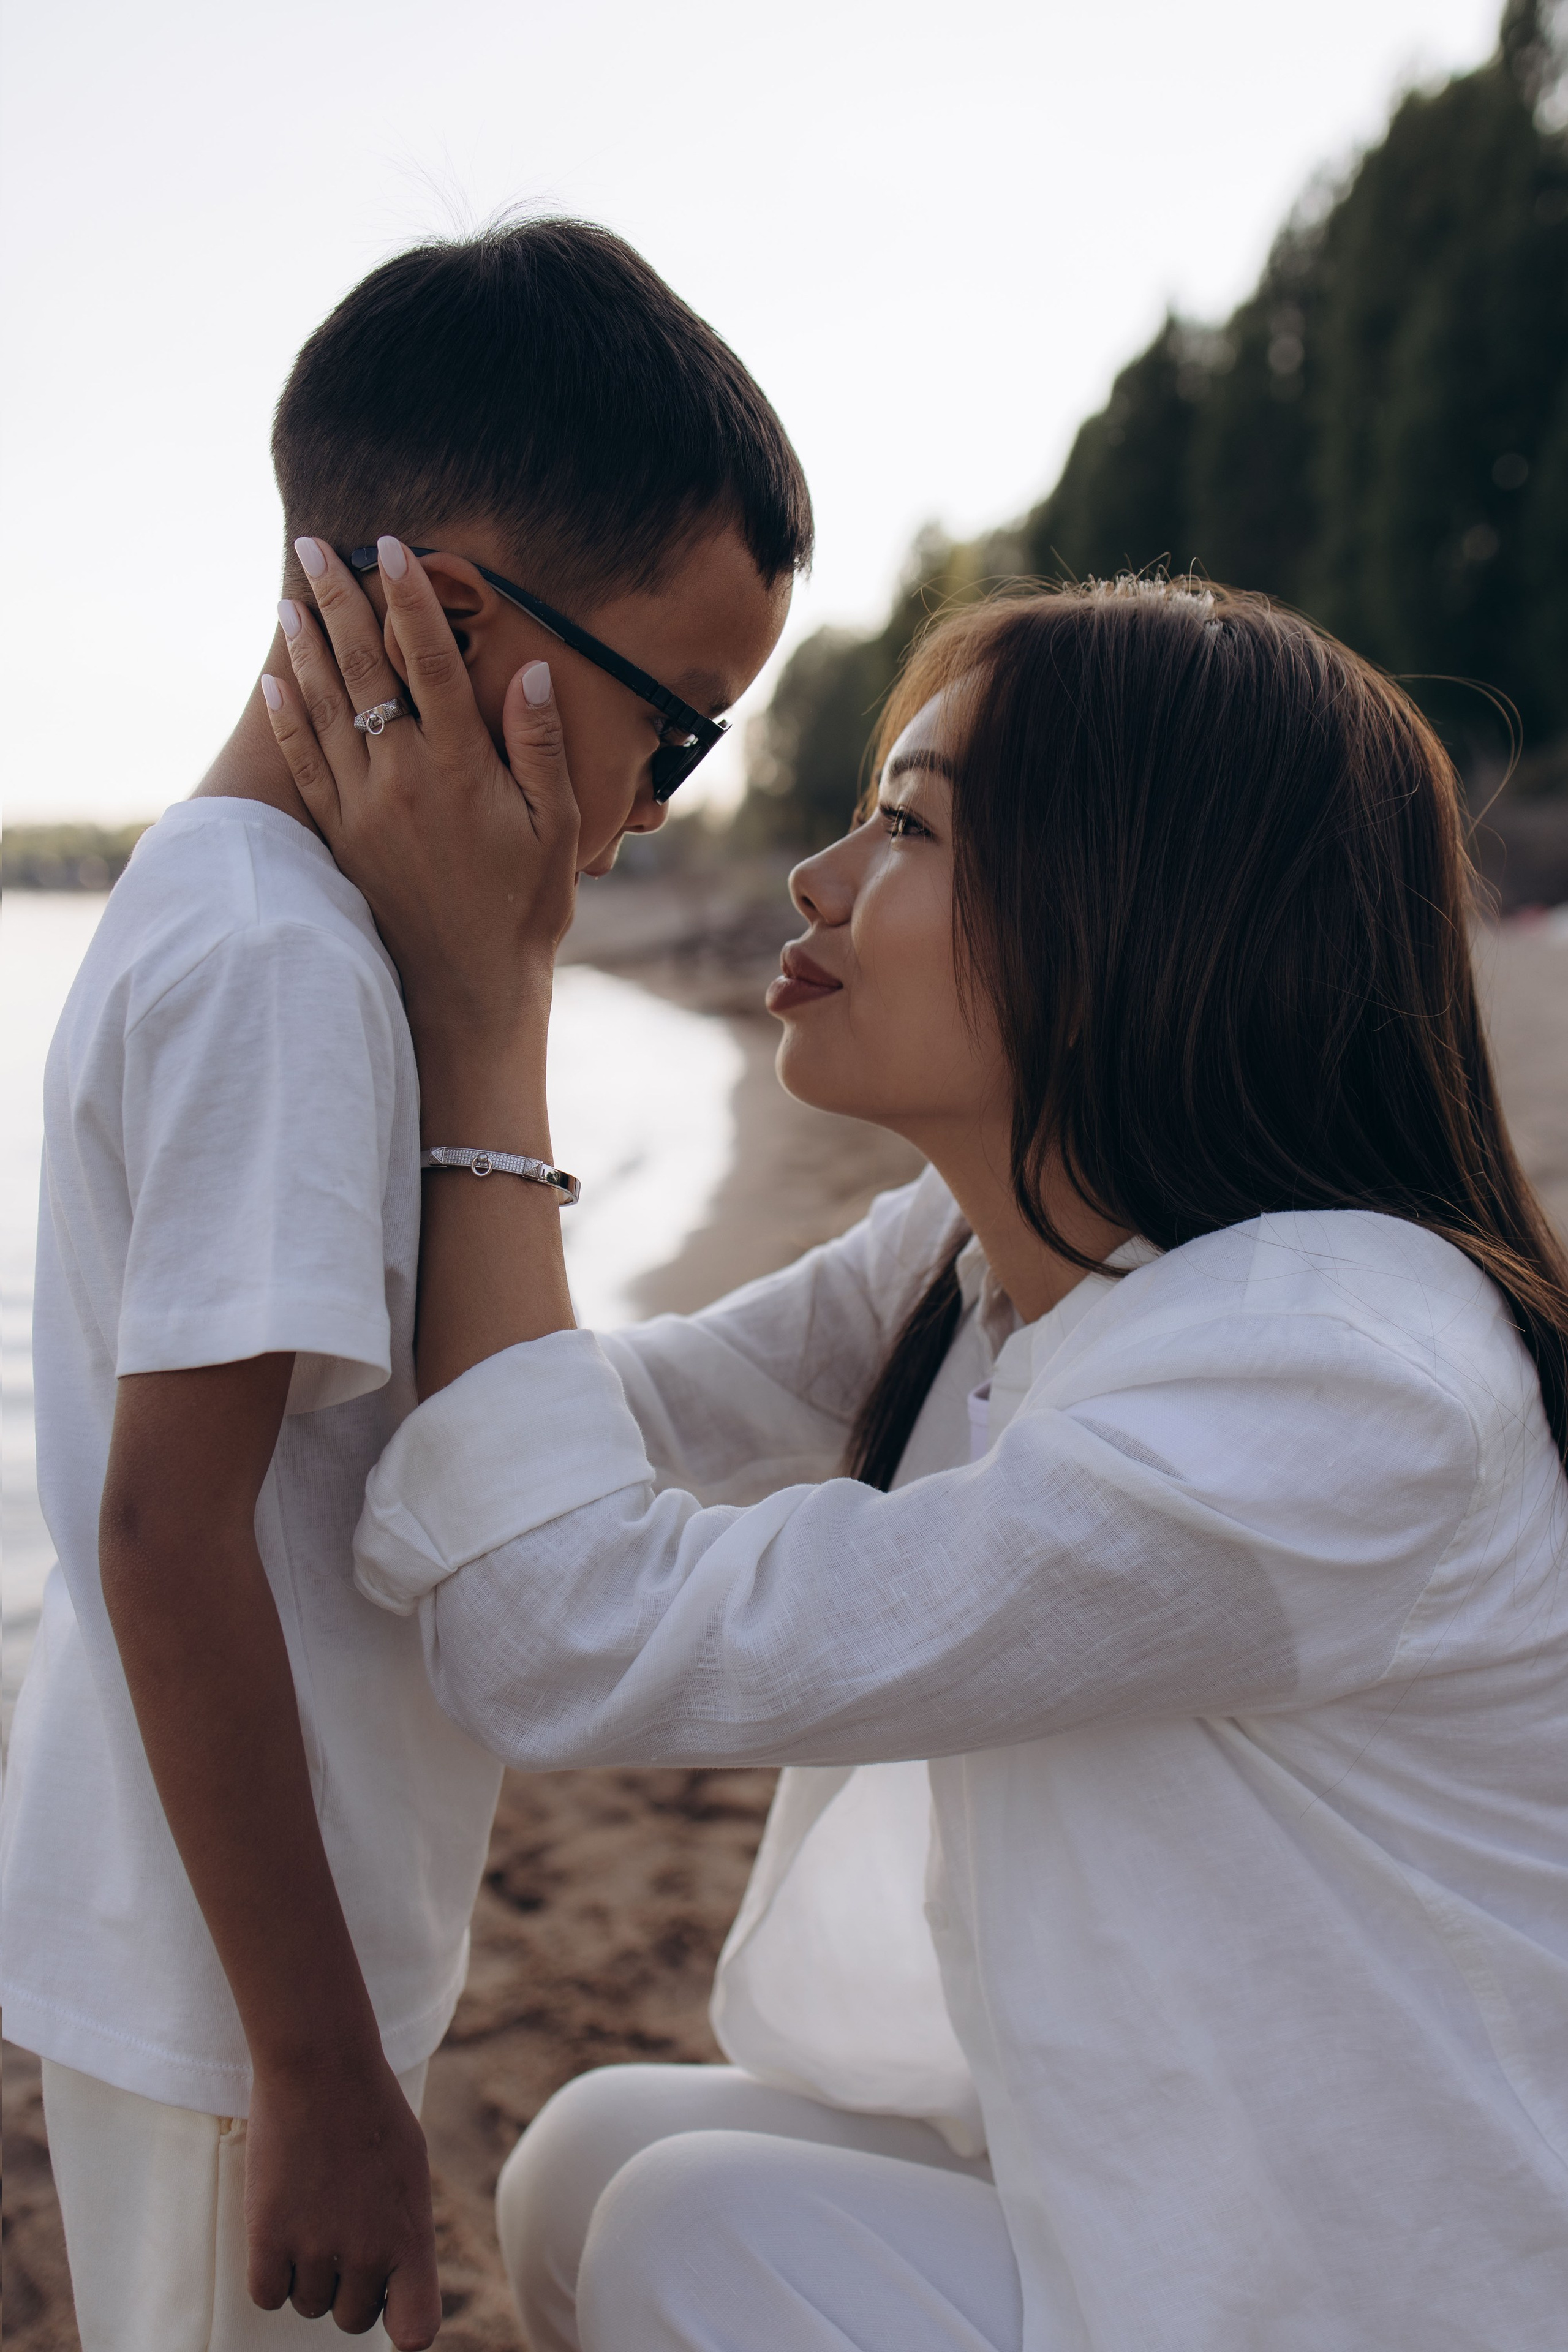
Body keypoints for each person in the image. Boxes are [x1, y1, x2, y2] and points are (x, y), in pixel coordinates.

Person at [261, 555, 1568, 2352]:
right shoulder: (1002, 1249)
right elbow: (614, 1414)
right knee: (589, 2158)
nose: (815, 877)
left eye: (905, 829)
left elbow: (561, 1631)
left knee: (689, 2233)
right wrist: (236, 1406)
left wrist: (490, 1005)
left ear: (1133, 909)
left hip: (1380, 2275)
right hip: (1181, 2167)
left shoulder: (1329, 1389)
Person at [0, 217, 805, 2352]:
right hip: (233, 1994)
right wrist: (319, 2075)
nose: (654, 814)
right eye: (682, 727)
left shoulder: (257, 915)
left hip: (241, 1935)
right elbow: (169, 1533)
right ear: (448, 624)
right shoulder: (282, 968)